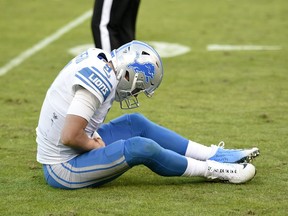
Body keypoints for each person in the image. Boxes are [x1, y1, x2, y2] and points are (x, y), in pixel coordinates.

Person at [36, 40, 260, 190]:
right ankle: (214, 170)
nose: (134, 93)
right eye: (137, 88)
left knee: (135, 122)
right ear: (129, 76)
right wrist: (94, 145)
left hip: (72, 146)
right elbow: (70, 136)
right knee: (140, 147)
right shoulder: (99, 81)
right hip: (62, 166)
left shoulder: (101, 57)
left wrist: (90, 138)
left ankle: (213, 154)